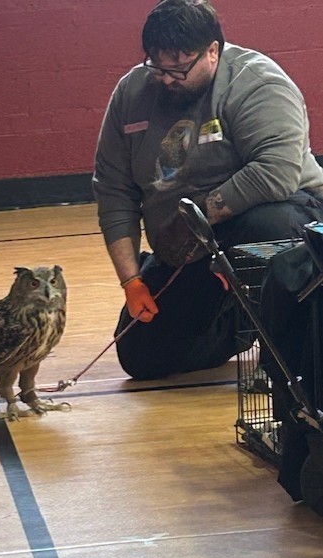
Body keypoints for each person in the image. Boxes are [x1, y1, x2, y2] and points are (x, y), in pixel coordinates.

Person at [93, 0, 323, 380]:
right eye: (157, 66)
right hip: (190, 247)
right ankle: (242, 318)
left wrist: (194, 222)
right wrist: (131, 281)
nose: (166, 78)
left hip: (282, 218)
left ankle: (283, 336)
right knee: (142, 357)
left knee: (265, 225)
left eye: (179, 68)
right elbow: (114, 191)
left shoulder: (259, 83)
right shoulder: (131, 93)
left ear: (213, 51)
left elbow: (276, 174)